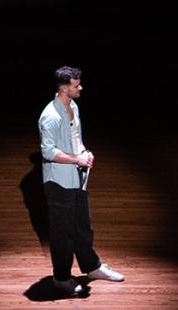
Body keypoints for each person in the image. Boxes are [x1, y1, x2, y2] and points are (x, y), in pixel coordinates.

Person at [38, 66, 125, 295]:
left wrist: (85, 152)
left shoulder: (73, 106)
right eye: (76, 85)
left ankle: (92, 267)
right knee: (63, 233)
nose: (80, 88)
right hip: (59, 183)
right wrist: (77, 158)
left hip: (78, 179)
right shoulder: (50, 116)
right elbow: (48, 152)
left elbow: (76, 138)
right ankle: (62, 278)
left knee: (82, 227)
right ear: (64, 88)